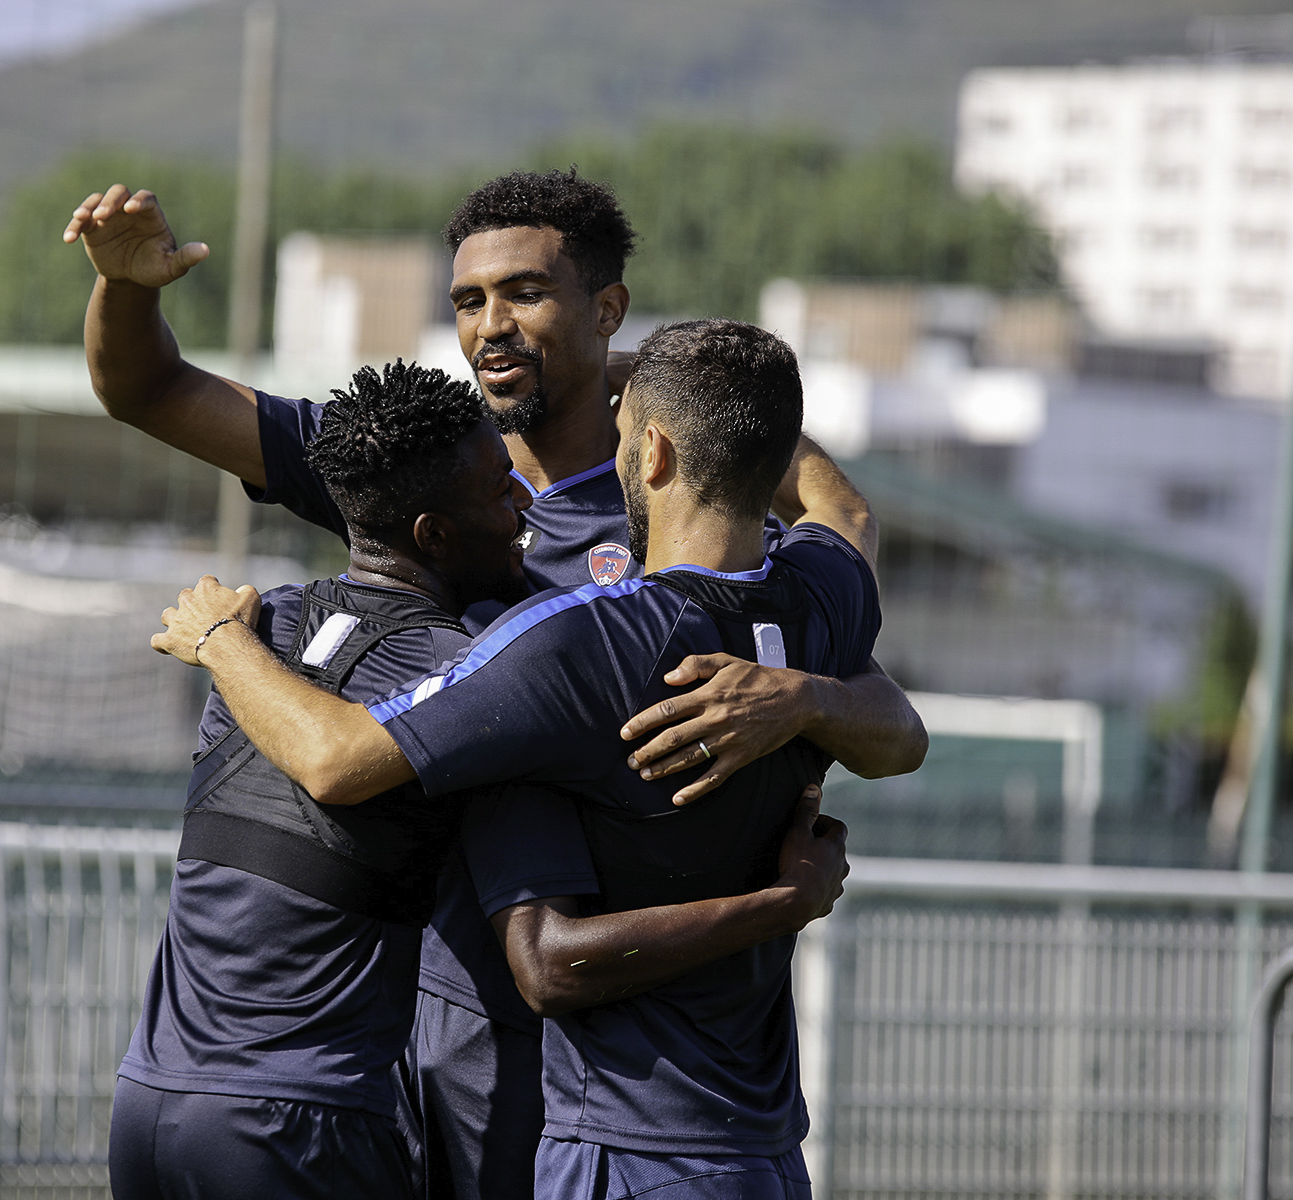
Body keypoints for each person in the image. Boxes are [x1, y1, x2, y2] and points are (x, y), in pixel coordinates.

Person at [68, 169, 926, 1197]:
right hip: (426, 1002)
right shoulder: (412, 467)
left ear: (606, 312)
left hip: (611, 1025)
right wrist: (126, 288)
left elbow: (890, 723)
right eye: (468, 301)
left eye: (523, 293)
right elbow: (147, 391)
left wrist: (806, 699)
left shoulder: (680, 521)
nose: (490, 326)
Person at [122, 354, 852, 1199]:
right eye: (502, 489)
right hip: (310, 1116)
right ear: (433, 534)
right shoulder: (484, 672)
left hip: (150, 1098)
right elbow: (335, 762)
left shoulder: (267, 627)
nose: (525, 507)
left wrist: (221, 643)